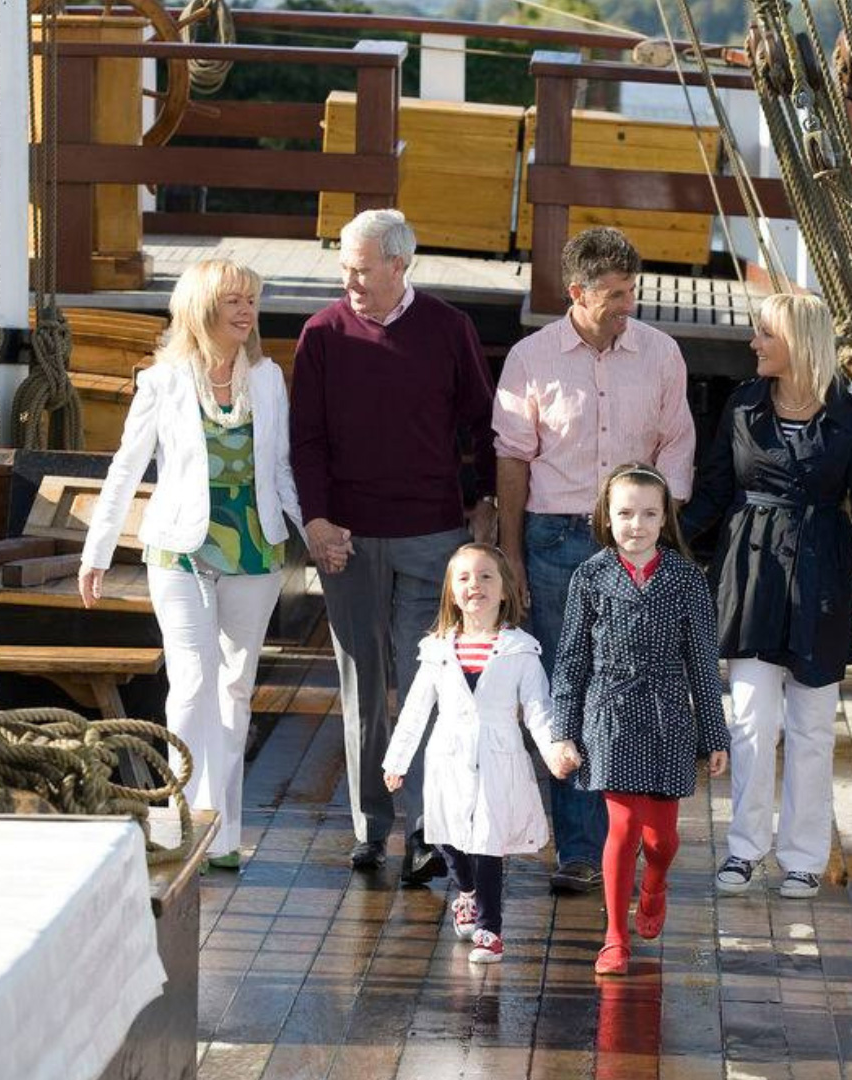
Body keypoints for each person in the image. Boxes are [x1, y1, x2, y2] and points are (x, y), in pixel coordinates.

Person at [78, 258, 316, 870]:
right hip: (178, 551)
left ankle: (226, 830)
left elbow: (283, 466)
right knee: (190, 682)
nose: (247, 311)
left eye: (252, 301)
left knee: (235, 688)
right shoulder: (162, 380)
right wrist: (97, 550)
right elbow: (126, 467)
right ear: (202, 308)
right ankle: (179, 818)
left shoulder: (267, 379)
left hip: (255, 549)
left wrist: (310, 534)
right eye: (234, 300)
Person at [290, 209, 497, 885]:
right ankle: (370, 829)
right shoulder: (321, 335)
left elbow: (481, 422)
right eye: (344, 266)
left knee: (427, 684)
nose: (348, 279)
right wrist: (316, 521)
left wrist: (486, 505)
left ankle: (426, 828)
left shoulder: (448, 329)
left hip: (432, 534)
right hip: (347, 536)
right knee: (361, 684)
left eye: (360, 267)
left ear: (399, 265)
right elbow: (307, 441)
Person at [493, 226, 696, 894]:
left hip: (638, 539)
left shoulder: (662, 355)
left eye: (630, 290)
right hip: (556, 540)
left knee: (638, 688)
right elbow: (513, 461)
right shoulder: (530, 358)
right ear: (576, 292)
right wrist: (513, 555)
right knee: (569, 689)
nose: (625, 304)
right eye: (612, 293)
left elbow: (675, 447)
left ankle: (631, 833)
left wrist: (659, 541)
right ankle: (580, 850)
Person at [683, 292, 852, 900]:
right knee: (749, 720)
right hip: (750, 575)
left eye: (764, 334)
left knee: (812, 727)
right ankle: (744, 850)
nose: (754, 343)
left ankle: (802, 856)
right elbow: (715, 488)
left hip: (824, 578)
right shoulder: (744, 404)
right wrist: (650, 543)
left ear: (797, 341)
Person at [552, 463, 729, 976]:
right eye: (625, 513)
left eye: (649, 513)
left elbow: (701, 658)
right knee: (623, 827)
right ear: (606, 515)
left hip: (668, 716)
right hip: (609, 715)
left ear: (665, 518)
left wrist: (713, 734)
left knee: (660, 840)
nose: (637, 524)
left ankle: (655, 883)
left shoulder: (686, 578)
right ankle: (614, 936)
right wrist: (564, 731)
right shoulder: (590, 576)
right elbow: (570, 660)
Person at [381, 544, 568, 963]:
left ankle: (489, 928)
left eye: (486, 577)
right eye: (463, 578)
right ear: (450, 591)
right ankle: (464, 891)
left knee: (487, 840)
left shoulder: (521, 650)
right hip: (447, 755)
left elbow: (539, 709)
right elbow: (414, 710)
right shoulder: (437, 650)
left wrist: (554, 750)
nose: (475, 586)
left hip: (498, 756)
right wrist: (397, 760)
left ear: (505, 590)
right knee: (445, 833)